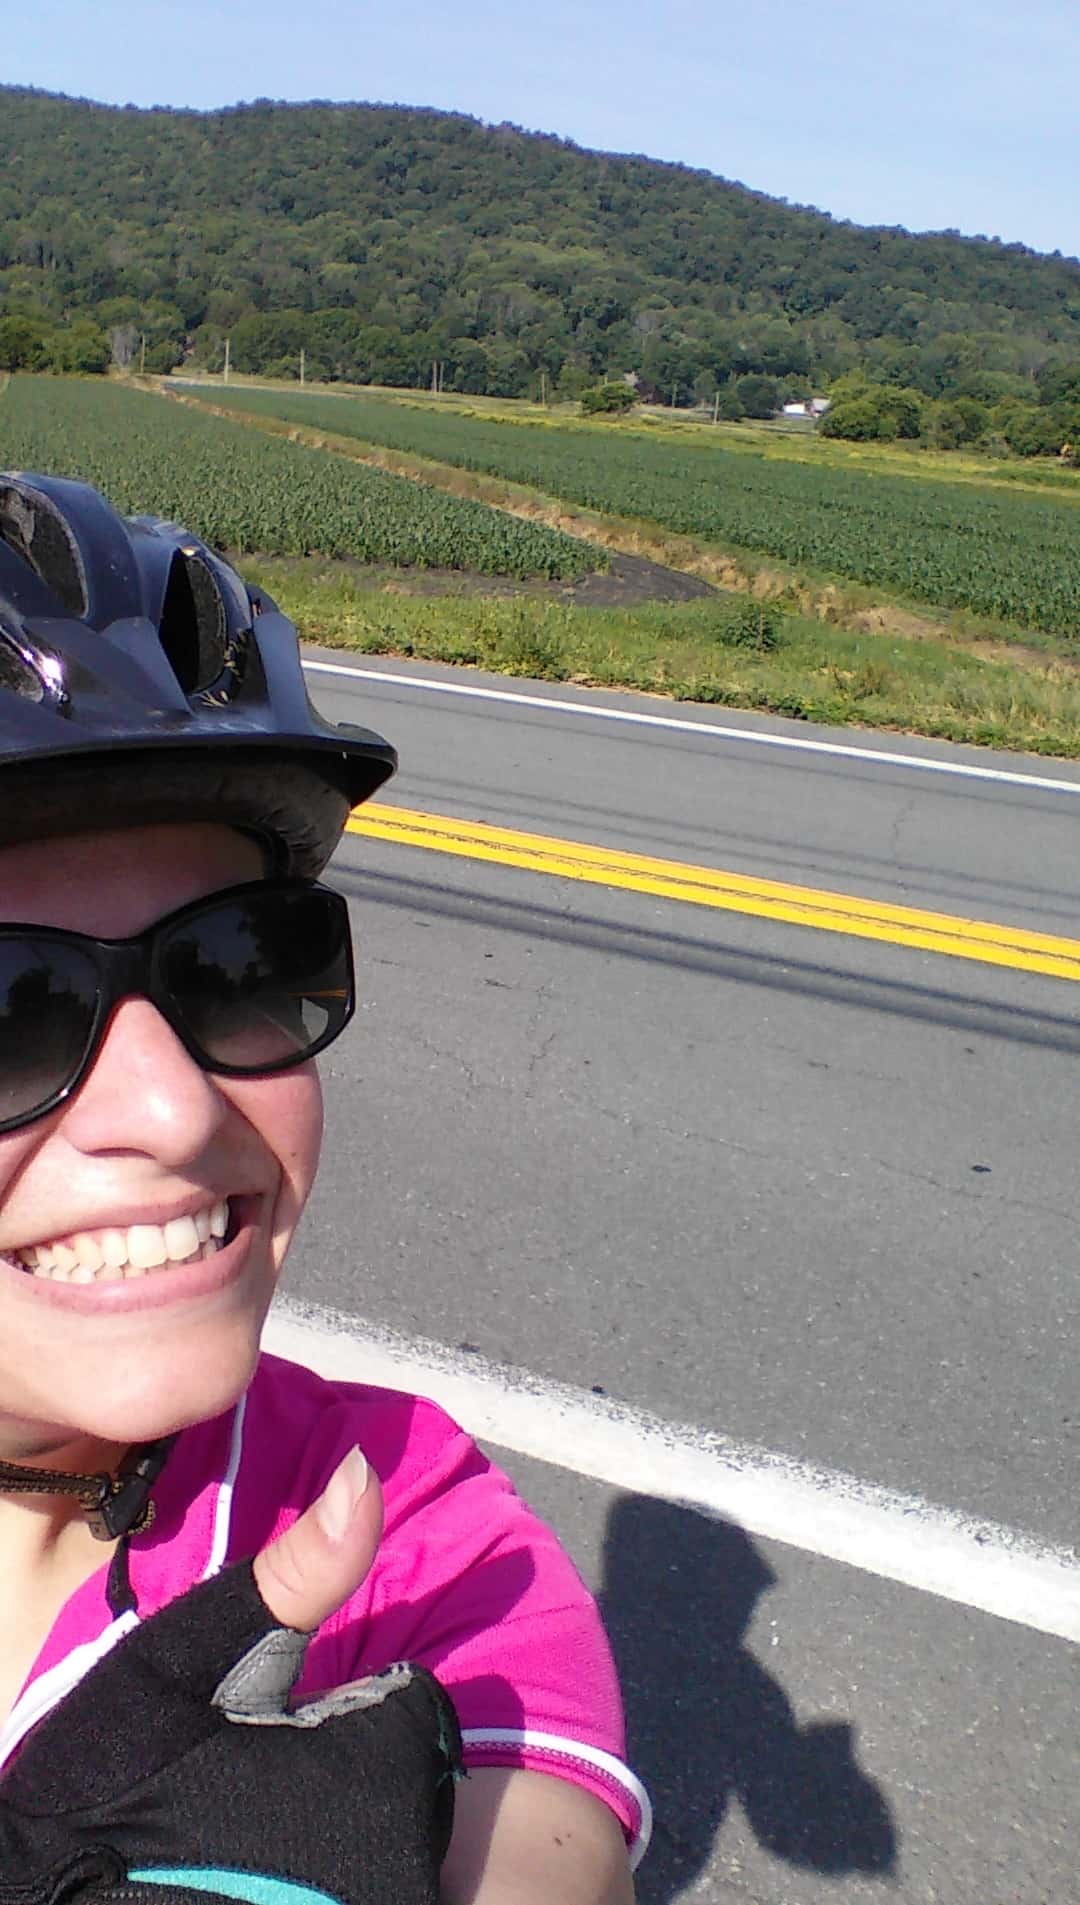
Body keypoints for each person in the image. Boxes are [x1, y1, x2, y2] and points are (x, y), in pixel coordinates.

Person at [0, 473, 645, 1901]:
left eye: (240, 965)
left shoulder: (394, 1519)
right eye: (9, 1014)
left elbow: (543, 1851)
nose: (172, 1110)